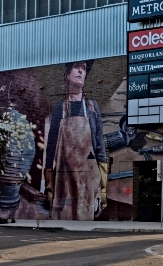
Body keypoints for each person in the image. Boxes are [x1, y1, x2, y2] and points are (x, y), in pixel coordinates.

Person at [43, 60, 107, 220]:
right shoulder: (60, 108)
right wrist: (49, 182)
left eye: (83, 69)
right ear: (67, 75)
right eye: (76, 68)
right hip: (64, 178)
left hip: (88, 177)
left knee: (85, 215)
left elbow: (99, 145)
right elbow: (51, 147)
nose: (80, 72)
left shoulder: (92, 107)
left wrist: (103, 186)